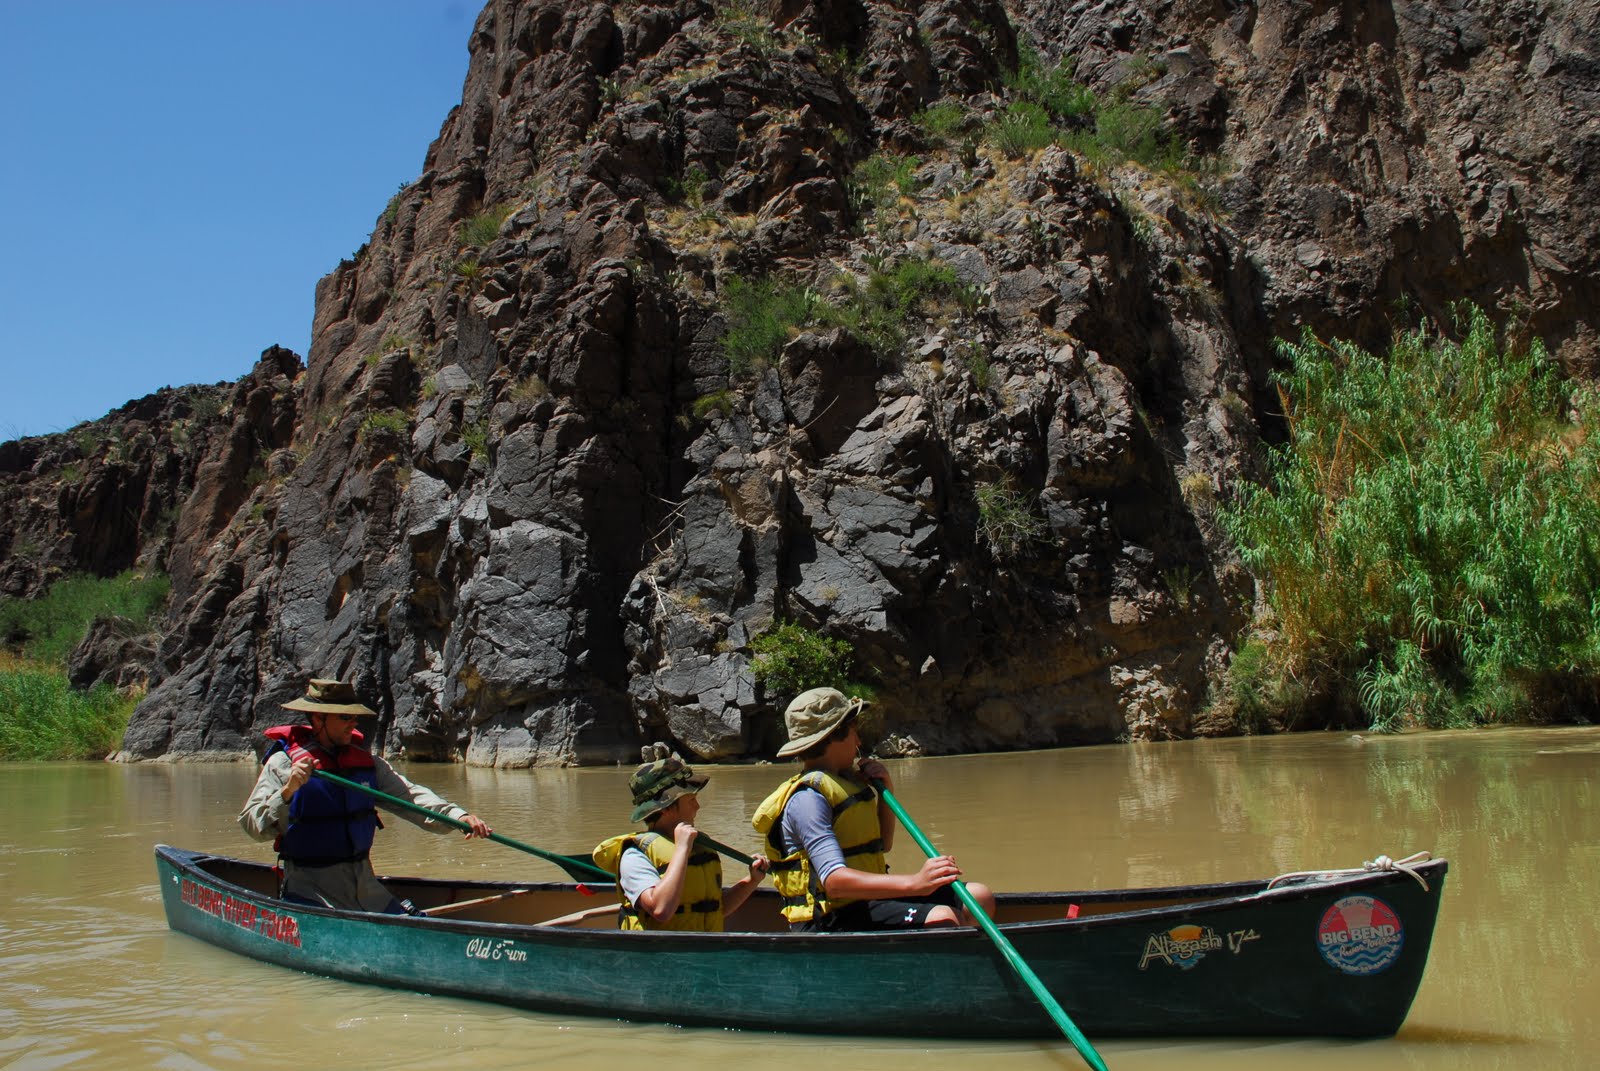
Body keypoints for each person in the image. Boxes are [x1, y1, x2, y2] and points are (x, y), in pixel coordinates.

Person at [751, 687, 996, 932]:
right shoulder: (808, 800)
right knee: (943, 917)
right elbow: (834, 882)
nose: (859, 742)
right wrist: (916, 882)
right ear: (834, 737)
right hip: (827, 916)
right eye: (854, 733)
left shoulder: (846, 781)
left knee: (978, 898)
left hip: (865, 902)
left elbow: (883, 844)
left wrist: (886, 791)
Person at [239, 678, 492, 914]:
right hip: (310, 893)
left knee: (411, 920)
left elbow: (412, 798)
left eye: (355, 717)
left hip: (368, 891)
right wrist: (289, 790)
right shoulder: (283, 764)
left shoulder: (368, 765)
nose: (353, 723)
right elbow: (252, 826)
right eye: (345, 716)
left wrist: (459, 817)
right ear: (318, 718)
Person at [592, 746, 770, 930]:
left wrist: (752, 881)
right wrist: (682, 849)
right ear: (666, 808)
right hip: (663, 949)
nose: (697, 807)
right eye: (691, 800)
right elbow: (661, 909)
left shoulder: (697, 846)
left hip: (704, 947)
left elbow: (717, 909)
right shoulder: (635, 855)